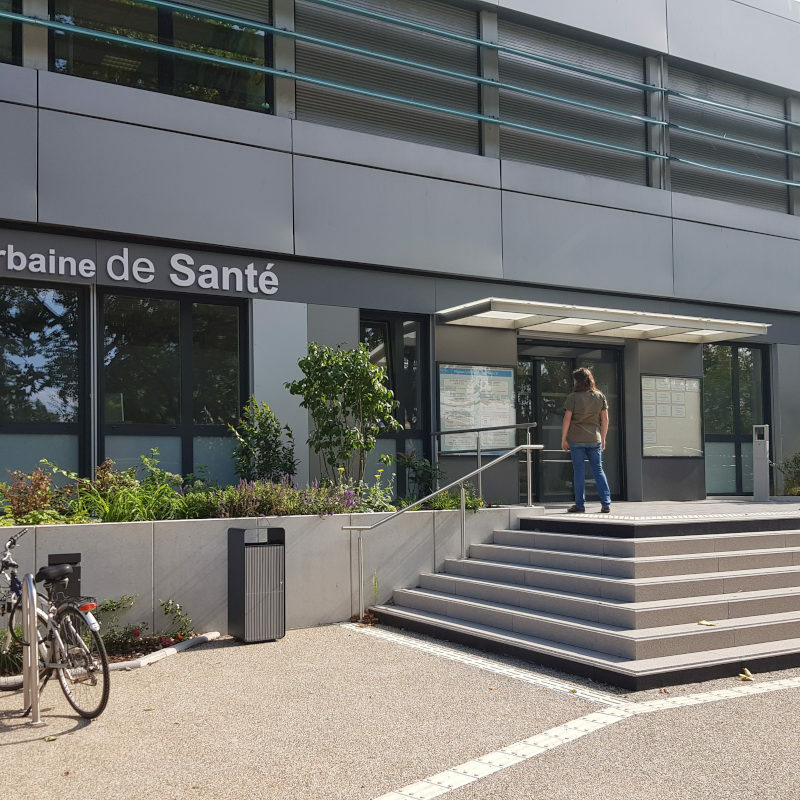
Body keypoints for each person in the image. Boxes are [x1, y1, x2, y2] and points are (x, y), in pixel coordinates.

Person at [561, 366, 612, 513]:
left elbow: (567, 419)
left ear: (578, 381)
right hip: (594, 439)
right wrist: (603, 438)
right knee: (598, 470)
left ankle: (580, 505)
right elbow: (606, 419)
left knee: (579, 472)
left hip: (576, 439)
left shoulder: (573, 397)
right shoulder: (599, 396)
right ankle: (606, 503)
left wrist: (564, 439)